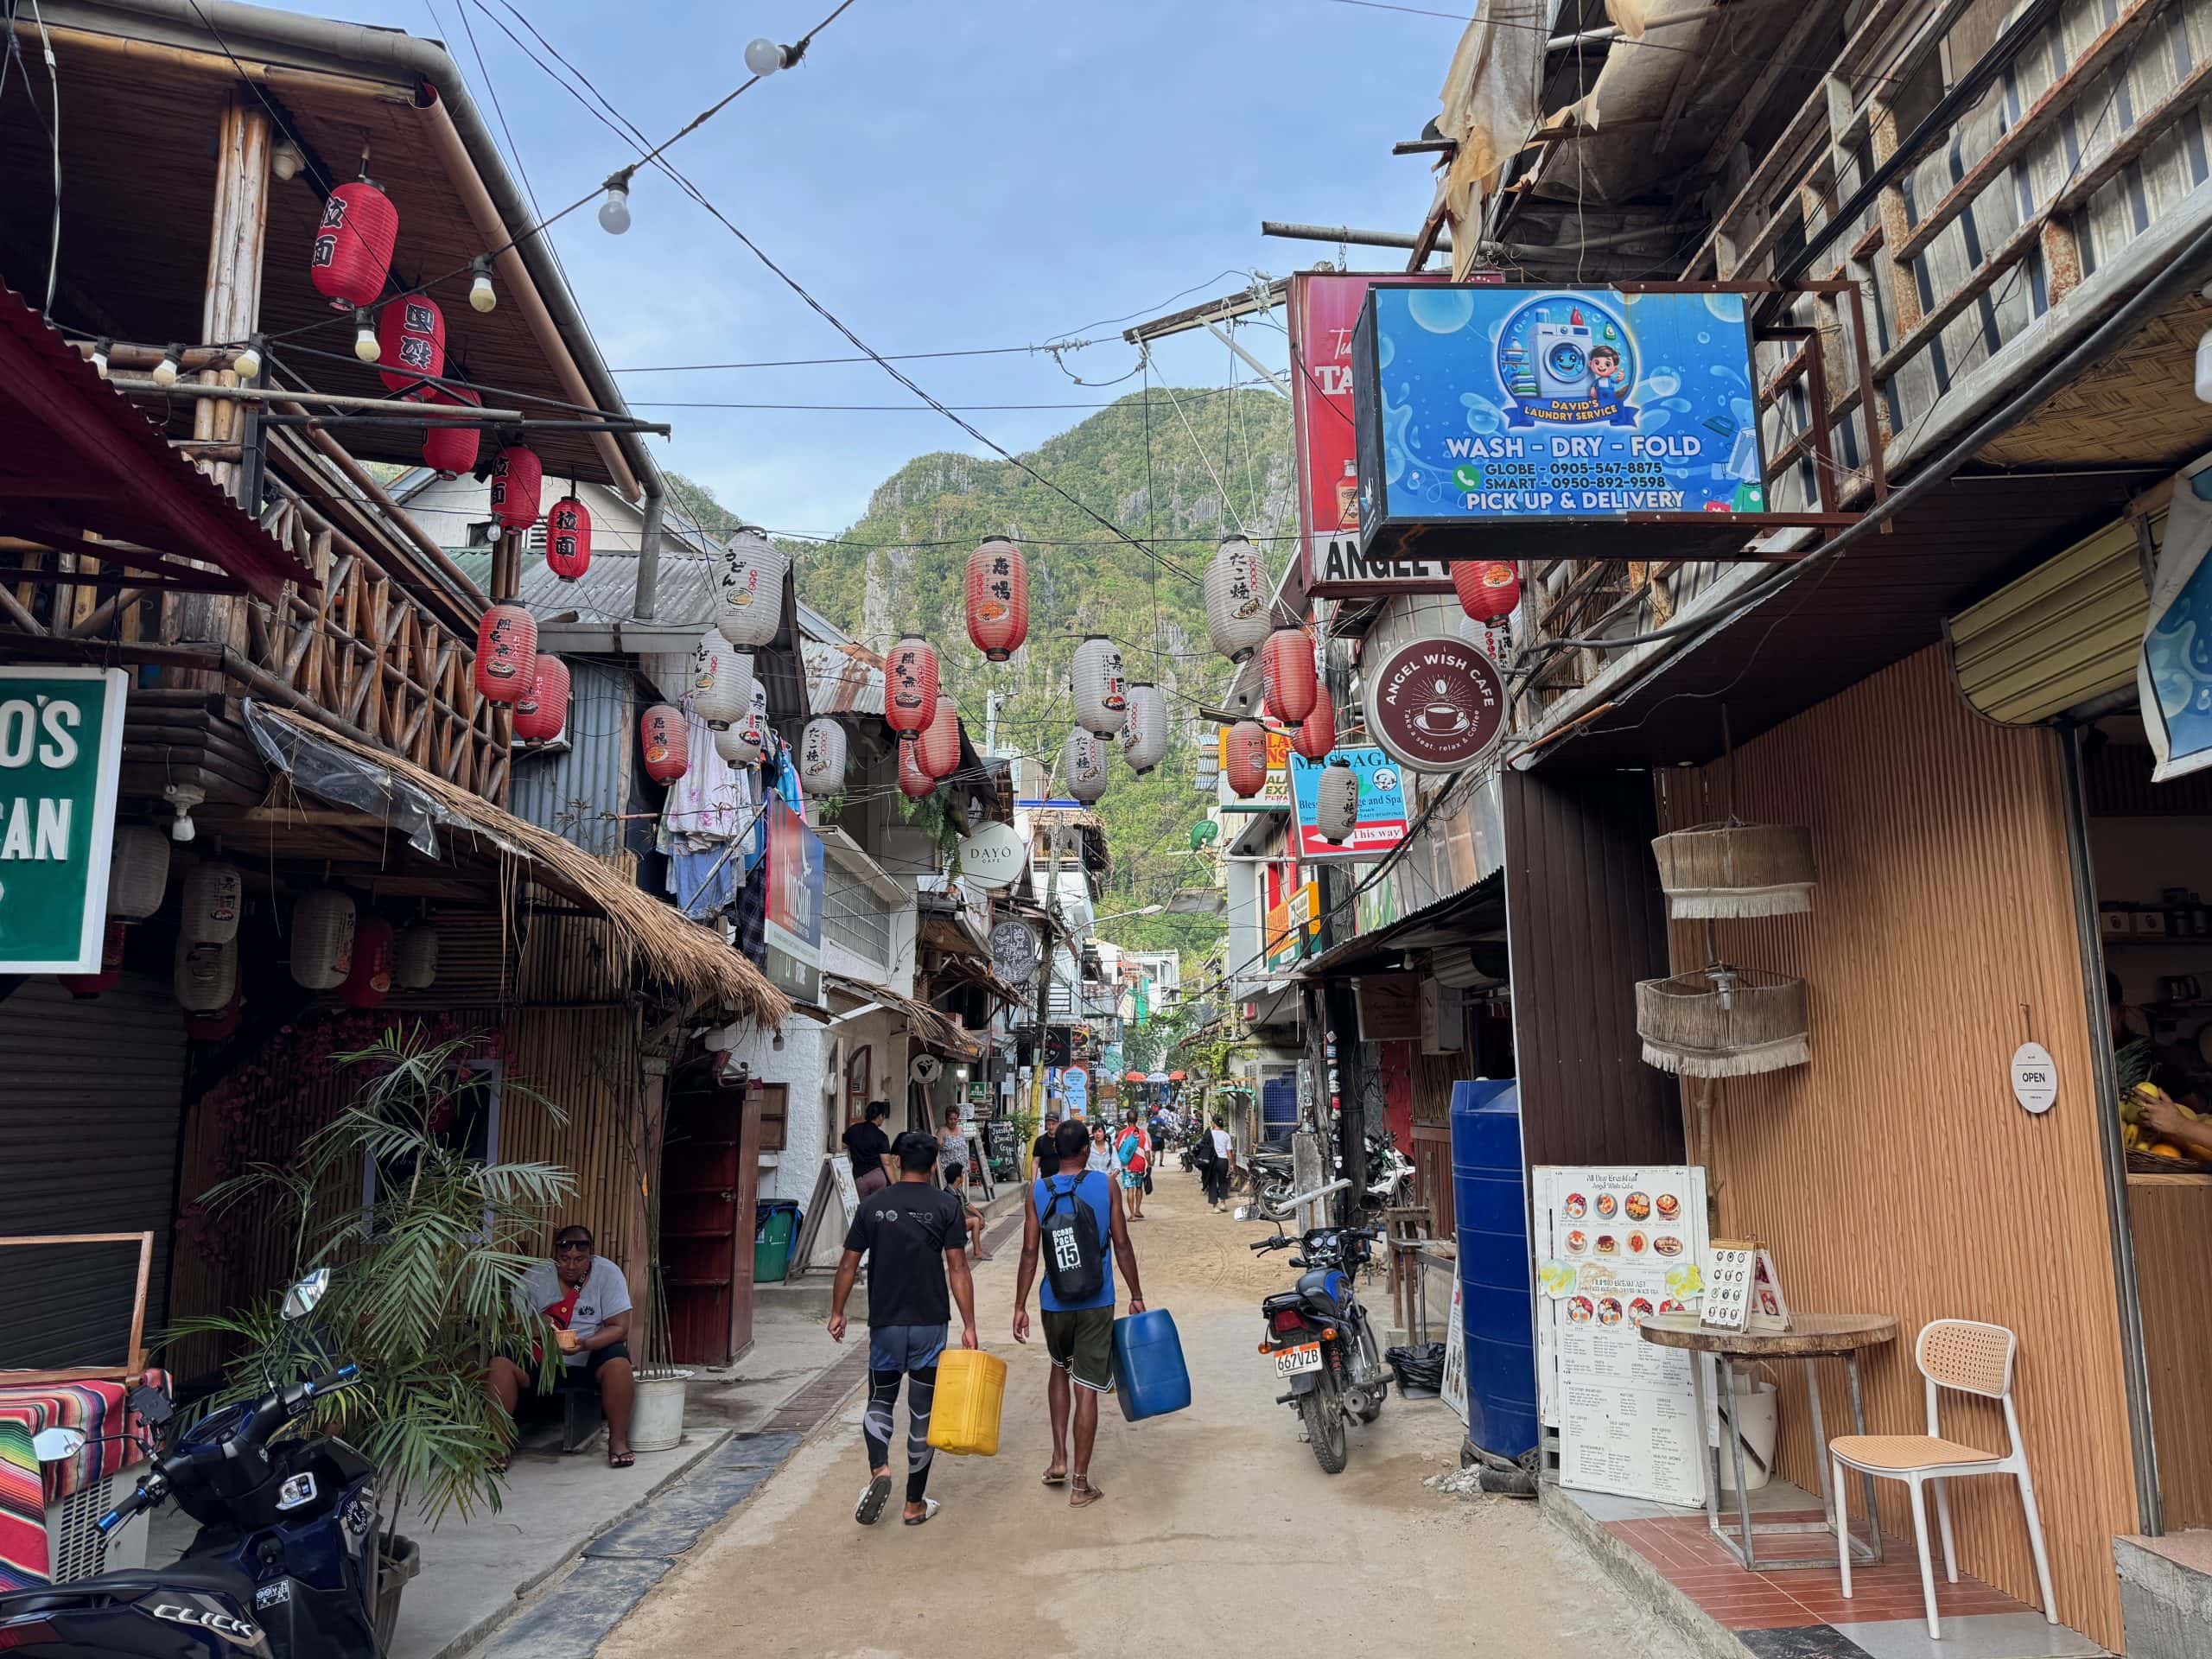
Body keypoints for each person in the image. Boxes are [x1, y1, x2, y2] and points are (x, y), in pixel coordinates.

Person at [828, 1130, 978, 1528]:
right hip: (930, 1323)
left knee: (880, 1399)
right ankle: (914, 1505)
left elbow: (847, 1264)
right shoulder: (946, 1205)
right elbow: (958, 1268)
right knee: (923, 1413)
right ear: (933, 1166)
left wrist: (837, 1312)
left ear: (895, 1162)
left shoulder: (874, 1206)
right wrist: (970, 1324)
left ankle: (880, 1470)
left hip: (887, 1323)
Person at [1014, 1118, 1143, 1509]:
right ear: (1087, 1149)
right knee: (1085, 1385)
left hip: (1055, 1300)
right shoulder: (1106, 1186)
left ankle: (1058, 1460)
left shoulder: (1038, 1190)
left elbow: (1030, 1252)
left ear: (1056, 1151)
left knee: (1058, 1368)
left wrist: (1019, 1305)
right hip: (1096, 1300)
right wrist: (1136, 1294)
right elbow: (1121, 1244)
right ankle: (1081, 1484)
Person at [486, 1225, 638, 1468]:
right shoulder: (536, 1276)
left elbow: (620, 1327)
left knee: (618, 1359)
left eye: (579, 1260)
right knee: (500, 1362)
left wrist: (586, 1343)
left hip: (589, 1359)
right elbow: (510, 1325)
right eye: (564, 1259)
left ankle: (618, 1442)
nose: (571, 1266)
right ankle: (498, 1447)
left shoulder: (608, 1274)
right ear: (554, 1254)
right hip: (542, 1363)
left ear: (591, 1256)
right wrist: (536, 1328)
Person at [940, 1105, 989, 1262]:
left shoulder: (961, 1130)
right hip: (949, 1170)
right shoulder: (942, 1132)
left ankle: (976, 1249)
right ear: (946, 1119)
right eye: (951, 1119)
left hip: (959, 1170)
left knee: (969, 1210)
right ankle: (976, 1251)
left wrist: (979, 1215)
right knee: (972, 1219)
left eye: (956, 1119)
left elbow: (966, 1204)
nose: (953, 1122)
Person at [844, 1100, 893, 1198]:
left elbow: (843, 1145)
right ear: (880, 1116)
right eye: (883, 1116)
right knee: (877, 1209)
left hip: (859, 1178)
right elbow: (886, 1163)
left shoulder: (853, 1130)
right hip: (877, 1176)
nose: (883, 1119)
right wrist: (895, 1184)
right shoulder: (881, 1136)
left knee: (863, 1209)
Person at [1116, 1114, 1149, 1221]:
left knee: (1130, 1189)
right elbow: (1147, 1151)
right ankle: (1138, 1210)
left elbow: (1117, 1148)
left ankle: (1132, 1215)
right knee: (1139, 1187)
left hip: (1128, 1165)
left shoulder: (1123, 1133)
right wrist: (1149, 1164)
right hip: (1140, 1165)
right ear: (1137, 1119)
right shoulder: (1143, 1133)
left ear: (1127, 1120)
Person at [1204, 1114, 1235, 1211]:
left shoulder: (1210, 1134)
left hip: (1212, 1161)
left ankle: (1215, 1206)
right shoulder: (1226, 1135)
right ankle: (1223, 1203)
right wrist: (1232, 1164)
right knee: (1223, 1181)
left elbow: (1204, 1147)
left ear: (1214, 1123)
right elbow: (1229, 1151)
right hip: (1223, 1160)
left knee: (1212, 1182)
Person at [1032, 1111, 1062, 1179]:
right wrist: (1033, 1182)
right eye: (1048, 1124)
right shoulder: (1040, 1141)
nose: (1051, 1127)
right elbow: (1035, 1162)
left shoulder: (1065, 1139)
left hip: (1063, 1180)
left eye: (1053, 1124)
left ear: (1059, 1123)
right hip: (1046, 1181)